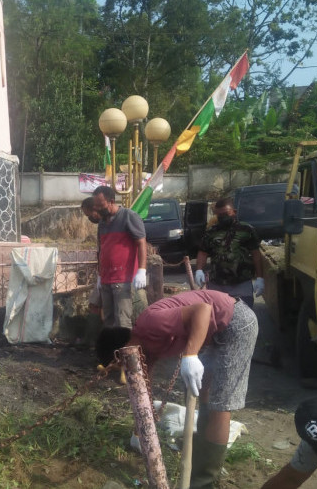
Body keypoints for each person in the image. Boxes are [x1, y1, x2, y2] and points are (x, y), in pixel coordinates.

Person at [96, 289, 258, 489]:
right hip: (214, 330)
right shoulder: (145, 350)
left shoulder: (150, 324)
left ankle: (203, 482)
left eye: (121, 364)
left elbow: (203, 310)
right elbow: (143, 387)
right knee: (204, 391)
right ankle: (203, 451)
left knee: (220, 404)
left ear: (119, 353)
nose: (126, 369)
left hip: (235, 323)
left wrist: (190, 355)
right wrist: (139, 431)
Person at [91, 185, 147, 330]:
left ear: (111, 201)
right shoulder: (102, 223)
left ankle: (124, 352)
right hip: (106, 279)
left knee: (123, 321)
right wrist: (99, 274)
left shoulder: (129, 216)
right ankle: (112, 351)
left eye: (100, 205)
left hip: (123, 280)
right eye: (95, 205)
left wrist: (141, 270)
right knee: (108, 320)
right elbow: (101, 249)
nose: (97, 209)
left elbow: (141, 243)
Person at [194, 197, 264, 308]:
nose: (223, 217)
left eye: (226, 214)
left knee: (243, 317)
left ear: (234, 212)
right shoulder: (211, 232)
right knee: (219, 318)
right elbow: (203, 252)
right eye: (219, 215)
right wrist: (199, 270)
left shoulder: (246, 230)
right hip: (217, 284)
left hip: (241, 283)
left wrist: (260, 278)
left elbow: (256, 254)